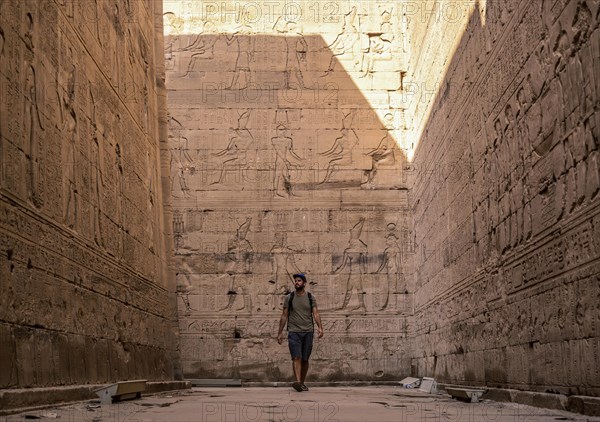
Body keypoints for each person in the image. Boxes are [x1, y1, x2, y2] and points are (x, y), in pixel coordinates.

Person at [277, 274, 323, 392]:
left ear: (304, 283)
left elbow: (316, 313)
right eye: (296, 281)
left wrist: (320, 327)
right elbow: (284, 315)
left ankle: (302, 382)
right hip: (293, 331)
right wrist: (280, 332)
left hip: (308, 331)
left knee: (305, 359)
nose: (297, 282)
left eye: (299, 281)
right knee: (296, 357)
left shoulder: (310, 297)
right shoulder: (289, 297)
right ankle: (297, 382)